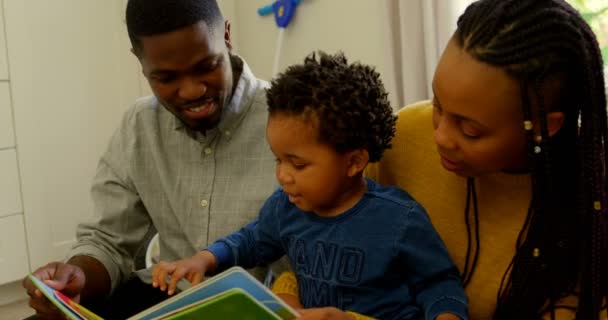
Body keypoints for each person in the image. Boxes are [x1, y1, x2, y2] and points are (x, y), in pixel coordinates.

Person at [271, 0, 608, 319]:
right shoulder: (405, 137)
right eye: (438, 104)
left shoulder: (591, 204)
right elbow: (314, 240)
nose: (440, 137)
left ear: (544, 127)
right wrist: (289, 296)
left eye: (471, 130)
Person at [151, 52, 468, 320]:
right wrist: (203, 259)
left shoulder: (398, 218)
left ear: (354, 162)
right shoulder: (284, 207)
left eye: (298, 164)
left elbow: (439, 284)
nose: (283, 176)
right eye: (278, 160)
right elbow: (249, 241)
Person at [21, 0, 285, 318]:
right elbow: (108, 241)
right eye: (166, 77)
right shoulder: (140, 124)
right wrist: (76, 277)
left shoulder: (291, 120)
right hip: (170, 299)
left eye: (206, 66)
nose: (190, 91)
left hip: (262, 308)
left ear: (227, 36)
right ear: (140, 61)